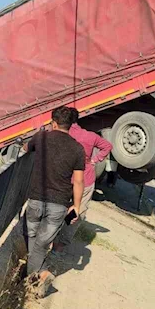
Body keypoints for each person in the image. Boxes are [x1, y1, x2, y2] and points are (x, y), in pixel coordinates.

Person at [23, 106, 85, 297]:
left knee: (32, 238)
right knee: (41, 245)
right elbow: (79, 181)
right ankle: (39, 275)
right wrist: (76, 206)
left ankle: (36, 277)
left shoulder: (41, 137)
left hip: (36, 198)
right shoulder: (77, 148)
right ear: (70, 126)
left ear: (54, 123)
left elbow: (25, 149)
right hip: (59, 204)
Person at [53, 108, 112, 251]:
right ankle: (59, 246)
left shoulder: (61, 132)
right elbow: (108, 146)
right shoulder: (90, 136)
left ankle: (49, 237)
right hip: (85, 179)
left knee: (56, 207)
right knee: (76, 212)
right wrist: (94, 160)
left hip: (64, 176)